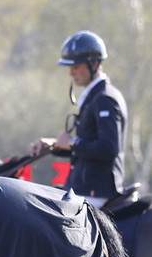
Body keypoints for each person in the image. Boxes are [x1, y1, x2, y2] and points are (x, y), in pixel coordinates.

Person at [29, 30, 128, 208]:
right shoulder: (94, 96)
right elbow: (88, 144)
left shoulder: (104, 98)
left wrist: (73, 144)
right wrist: (52, 144)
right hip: (83, 187)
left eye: (75, 67)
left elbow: (109, 148)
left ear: (94, 64)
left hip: (96, 190)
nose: (70, 73)